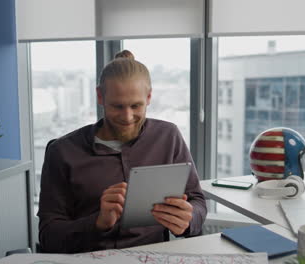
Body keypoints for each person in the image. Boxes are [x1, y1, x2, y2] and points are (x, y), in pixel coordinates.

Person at [38, 50, 207, 253]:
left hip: (153, 256)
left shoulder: (168, 136)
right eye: (117, 106)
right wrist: (98, 222)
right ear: (100, 96)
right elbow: (48, 236)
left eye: (136, 106)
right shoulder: (62, 152)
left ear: (149, 97)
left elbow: (197, 200)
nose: (127, 117)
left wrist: (189, 220)